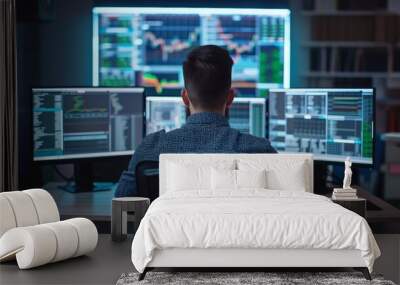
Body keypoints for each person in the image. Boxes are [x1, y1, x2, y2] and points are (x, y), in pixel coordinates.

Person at [114, 45, 276, 197]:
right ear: (230, 98)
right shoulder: (260, 151)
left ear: (185, 97)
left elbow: (121, 203)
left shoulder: (150, 149)